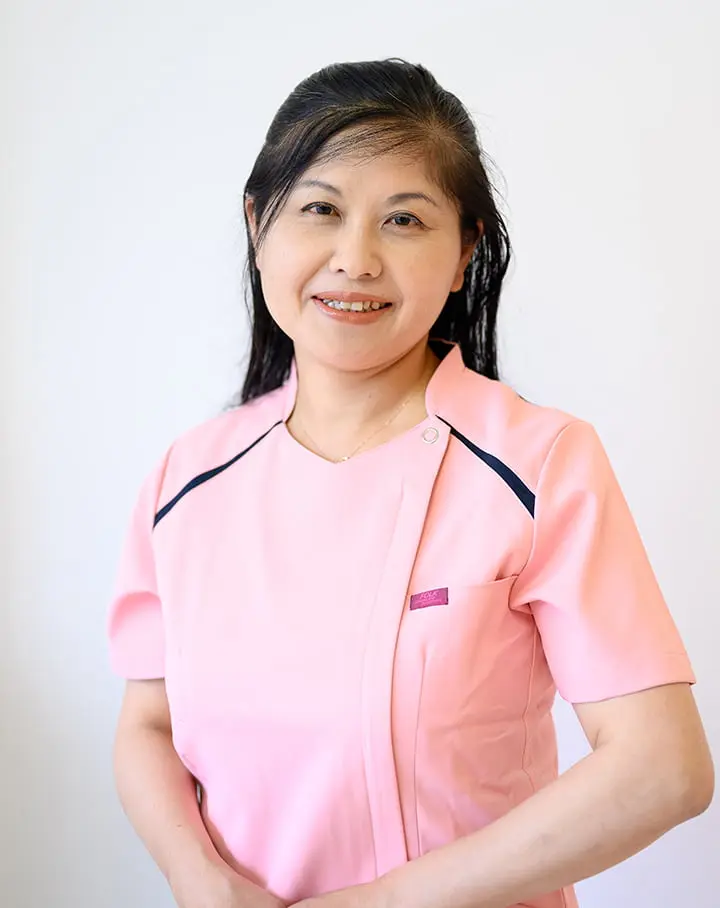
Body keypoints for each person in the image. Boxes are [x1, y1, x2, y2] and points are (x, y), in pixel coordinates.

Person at [107, 58, 714, 908]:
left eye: (403, 219)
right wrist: (197, 878)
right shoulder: (187, 480)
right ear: (257, 224)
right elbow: (148, 722)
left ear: (464, 252)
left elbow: (663, 767)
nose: (354, 259)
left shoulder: (539, 464)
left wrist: (385, 902)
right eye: (320, 208)